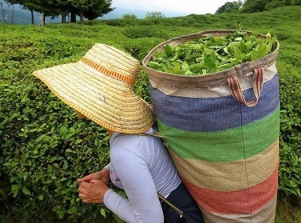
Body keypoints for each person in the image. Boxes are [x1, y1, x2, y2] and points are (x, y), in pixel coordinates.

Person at [32, 43, 204, 223]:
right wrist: (107, 172)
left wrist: (104, 195)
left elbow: (150, 221)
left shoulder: (124, 151)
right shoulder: (134, 131)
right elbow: (144, 158)